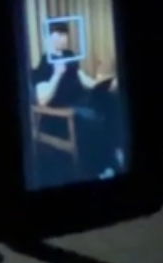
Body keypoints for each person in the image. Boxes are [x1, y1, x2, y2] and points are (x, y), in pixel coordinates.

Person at [31, 22, 123, 179]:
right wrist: (57, 75)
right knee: (92, 118)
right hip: (61, 112)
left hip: (81, 101)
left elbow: (84, 79)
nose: (63, 38)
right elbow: (42, 99)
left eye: (65, 34)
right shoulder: (44, 63)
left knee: (112, 100)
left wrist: (102, 83)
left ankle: (116, 152)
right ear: (47, 37)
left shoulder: (70, 55)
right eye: (58, 34)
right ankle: (104, 166)